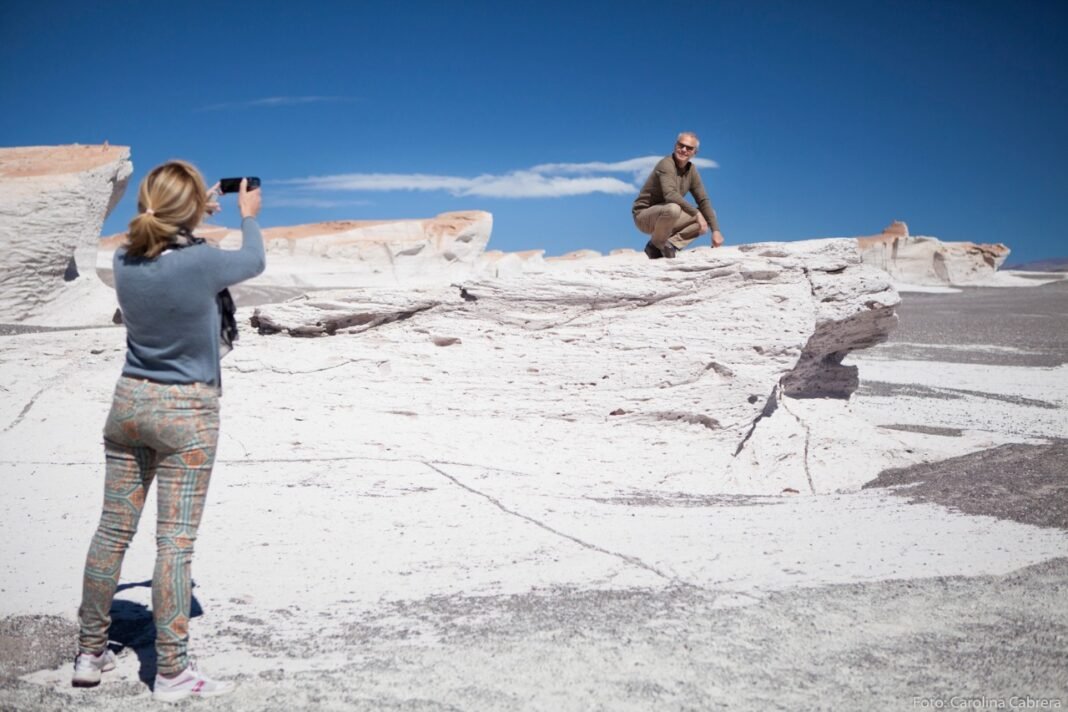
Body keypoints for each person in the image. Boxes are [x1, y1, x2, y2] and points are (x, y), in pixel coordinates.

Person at [71, 161, 265, 702]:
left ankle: (90, 652)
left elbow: (165, 239)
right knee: (174, 546)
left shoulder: (124, 259)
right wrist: (248, 214)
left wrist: (192, 206)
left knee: (112, 532)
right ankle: (173, 670)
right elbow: (253, 259)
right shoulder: (203, 262)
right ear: (189, 211)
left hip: (129, 402)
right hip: (188, 412)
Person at [632, 132, 724, 258]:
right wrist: (696, 214)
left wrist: (716, 231)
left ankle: (671, 245)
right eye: (681, 145)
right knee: (674, 208)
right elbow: (670, 195)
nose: (683, 150)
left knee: (709, 214)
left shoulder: (692, 171)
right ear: (675, 145)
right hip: (644, 217)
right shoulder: (666, 164)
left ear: (694, 153)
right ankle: (655, 245)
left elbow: (703, 200)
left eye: (689, 148)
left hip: (668, 216)